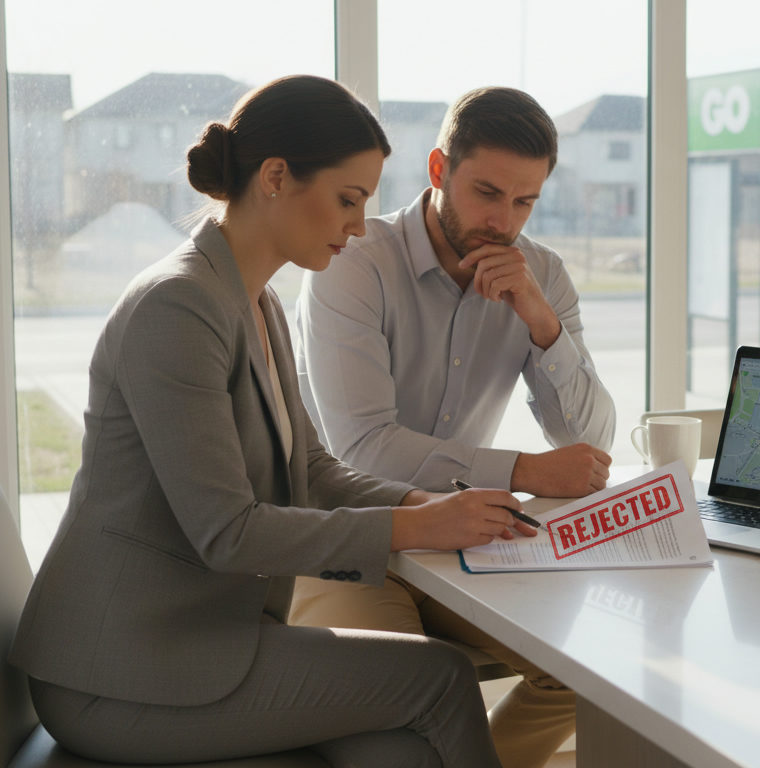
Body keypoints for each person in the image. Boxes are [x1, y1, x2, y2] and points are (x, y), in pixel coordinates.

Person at [8, 75, 534, 768]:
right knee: (440, 678)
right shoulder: (179, 305)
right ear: (276, 178)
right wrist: (413, 527)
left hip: (197, 639)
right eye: (348, 200)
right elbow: (226, 531)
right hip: (121, 673)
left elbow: (310, 470)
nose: (357, 225)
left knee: (400, 745)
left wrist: (425, 503)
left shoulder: (258, 302)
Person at [289, 87, 613, 768]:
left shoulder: (541, 275)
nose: (503, 221)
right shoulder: (353, 264)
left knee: (598, 672)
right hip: (349, 546)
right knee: (405, 722)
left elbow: (591, 441)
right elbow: (364, 451)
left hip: (461, 547)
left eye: (524, 202)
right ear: (439, 170)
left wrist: (543, 323)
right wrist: (521, 471)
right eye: (487, 193)